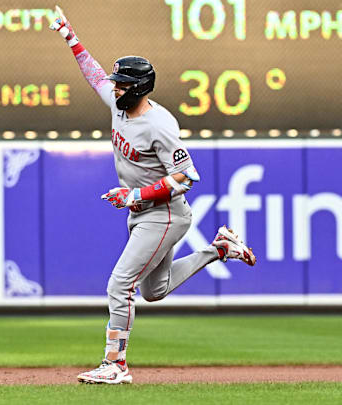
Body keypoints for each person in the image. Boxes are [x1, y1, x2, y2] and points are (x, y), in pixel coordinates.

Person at [49, 6, 256, 384]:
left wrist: (135, 195)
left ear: (140, 88)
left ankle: (116, 364)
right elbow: (94, 74)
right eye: (117, 83)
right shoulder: (117, 103)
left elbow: (186, 177)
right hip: (145, 211)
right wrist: (71, 37)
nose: (115, 87)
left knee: (119, 284)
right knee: (154, 290)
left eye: (123, 84)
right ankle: (220, 250)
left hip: (166, 214)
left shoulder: (160, 125)